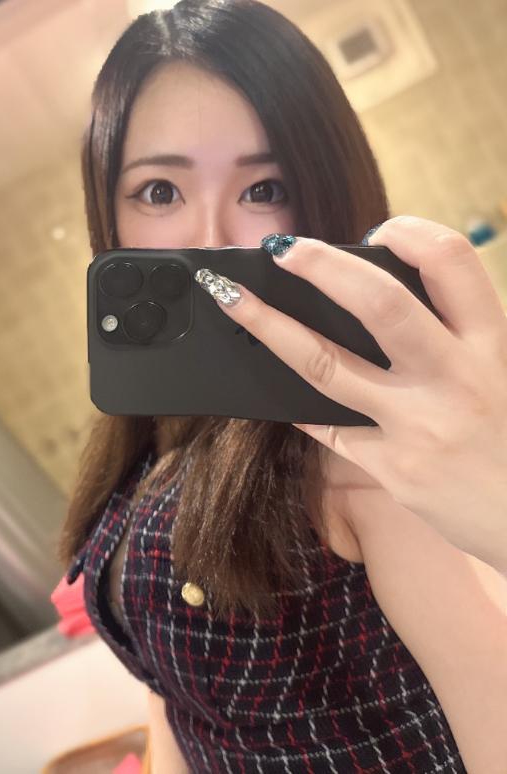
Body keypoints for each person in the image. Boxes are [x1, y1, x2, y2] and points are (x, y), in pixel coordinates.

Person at [57, 1, 507, 772]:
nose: (209, 238)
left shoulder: (357, 445)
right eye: (160, 192)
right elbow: (175, 696)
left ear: (321, 194)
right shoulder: (155, 431)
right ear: (111, 215)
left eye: (264, 188)